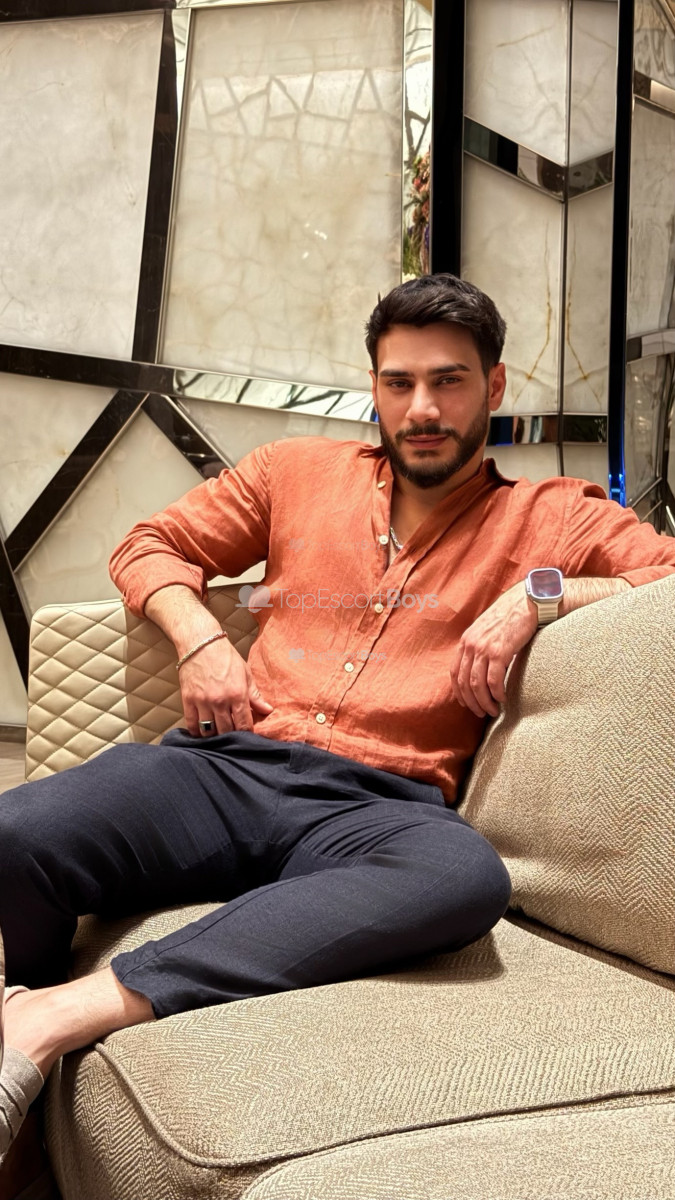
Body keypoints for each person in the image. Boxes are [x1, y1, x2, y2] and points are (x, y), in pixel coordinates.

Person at [2, 272, 675, 1159]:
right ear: (375, 388)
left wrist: (539, 595)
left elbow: (665, 576)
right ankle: (22, 1089)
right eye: (400, 383)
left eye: (448, 381)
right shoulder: (294, 472)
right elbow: (151, 545)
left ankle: (59, 1015)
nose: (422, 408)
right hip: (225, 766)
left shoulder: (547, 516)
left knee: (464, 878)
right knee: (19, 831)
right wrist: (200, 639)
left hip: (381, 807)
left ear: (494, 386)